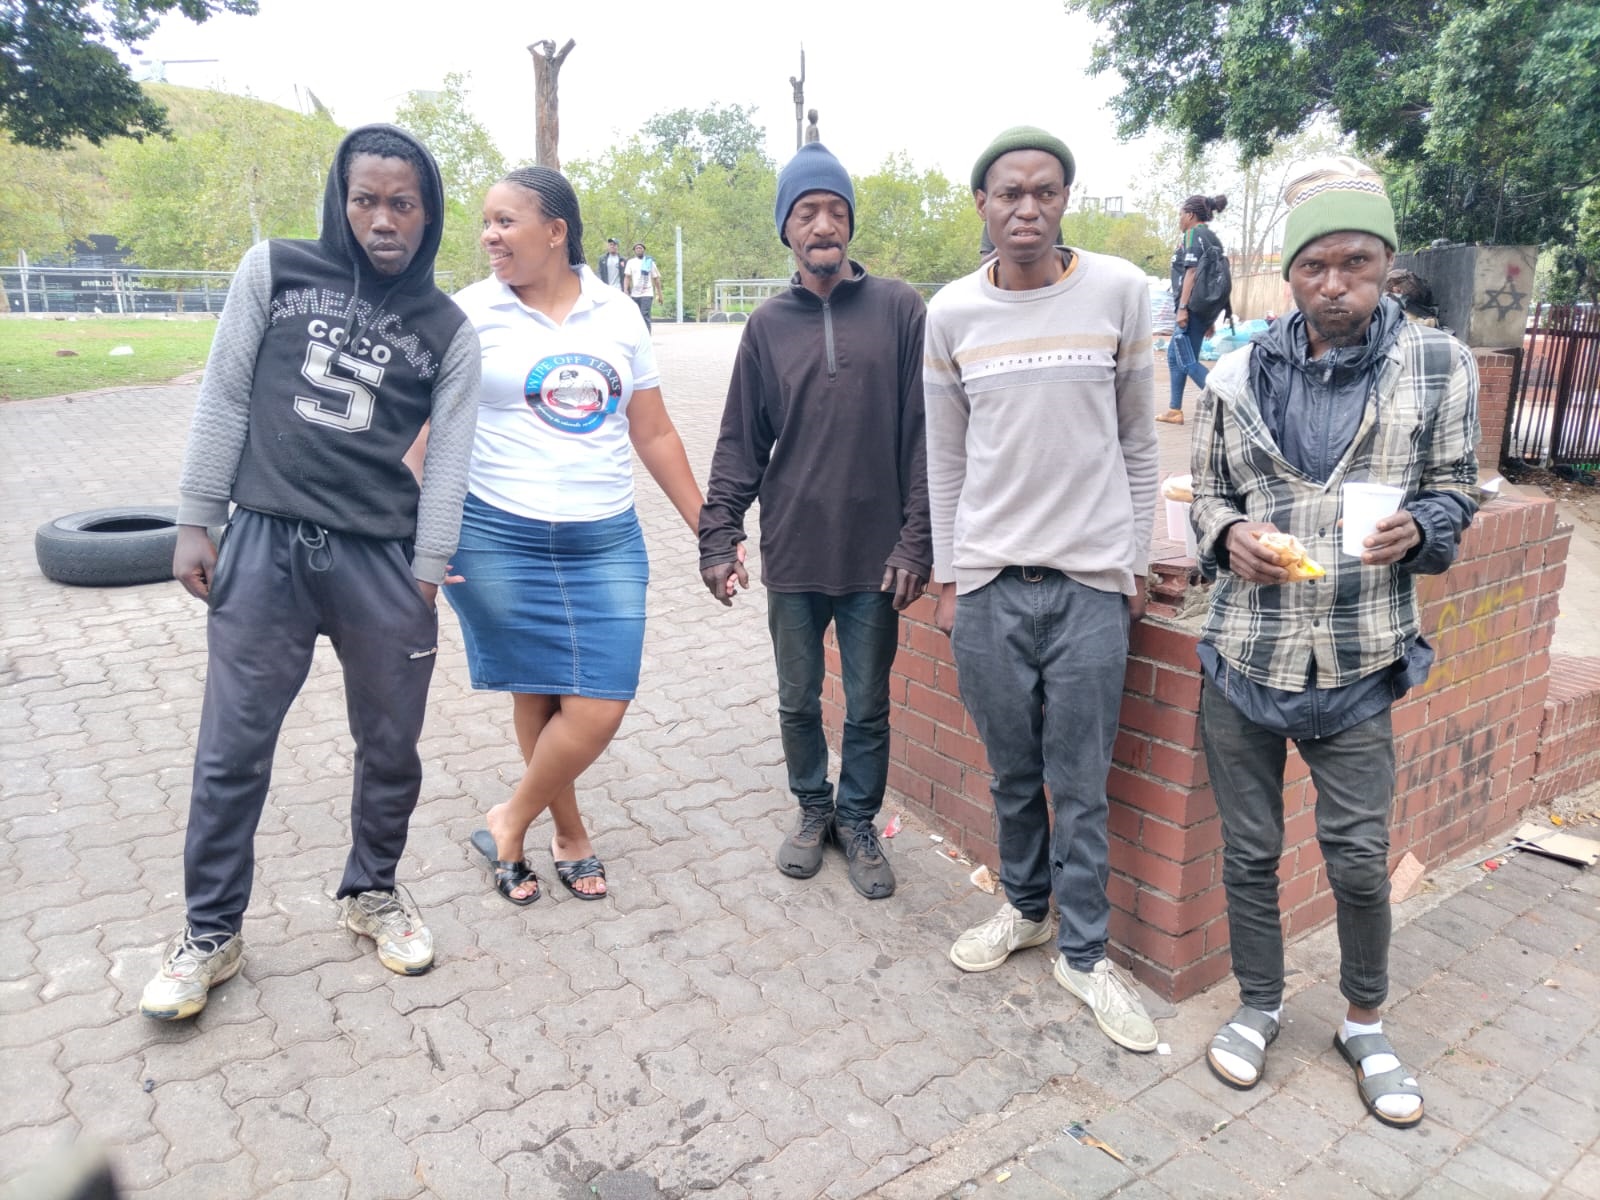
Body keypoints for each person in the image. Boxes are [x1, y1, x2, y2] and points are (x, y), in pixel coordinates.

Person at [140, 125, 481, 1020]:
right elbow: (223, 391)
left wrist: (427, 570)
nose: (382, 220)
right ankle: (210, 932)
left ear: (428, 214)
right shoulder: (275, 270)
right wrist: (196, 519)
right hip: (264, 546)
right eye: (366, 200)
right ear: (341, 199)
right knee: (231, 750)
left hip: (382, 563)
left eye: (402, 204)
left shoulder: (449, 328)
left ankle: (373, 892)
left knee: (391, 746)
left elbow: (451, 458)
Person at [1190, 156, 1479, 1128]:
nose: (1334, 284)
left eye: (1356, 263)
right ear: (1289, 273)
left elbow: (1455, 486)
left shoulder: (1438, 365)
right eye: (1313, 266)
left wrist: (1425, 526)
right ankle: (1259, 1004)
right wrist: (1228, 536)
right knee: (1248, 852)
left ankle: (1364, 1021)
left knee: (1357, 859)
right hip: (1246, 654)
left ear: (1386, 265)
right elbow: (1208, 498)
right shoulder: (1234, 374)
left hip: (1358, 660)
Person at [924, 126, 1160, 1052]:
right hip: (990, 586)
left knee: (1081, 782)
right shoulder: (951, 313)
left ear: (1065, 199)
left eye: (1045, 192)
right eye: (1008, 193)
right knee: (1013, 772)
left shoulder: (1119, 292)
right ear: (981, 204)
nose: (1026, 209)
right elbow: (946, 459)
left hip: (1088, 586)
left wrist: (1131, 561)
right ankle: (1025, 910)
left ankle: (1085, 954)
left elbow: (1139, 442)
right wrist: (952, 576)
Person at [447, 167, 704, 904]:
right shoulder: (467, 313)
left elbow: (653, 431)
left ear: (556, 230)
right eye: (487, 222)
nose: (489, 236)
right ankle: (568, 833)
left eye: (505, 222)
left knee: (600, 700)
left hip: (604, 538)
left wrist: (708, 528)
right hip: (497, 532)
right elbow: (428, 431)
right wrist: (412, 537)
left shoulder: (618, 314)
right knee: (536, 692)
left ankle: (509, 817)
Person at [699, 141, 931, 900]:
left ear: (850, 222)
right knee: (798, 699)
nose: (823, 224)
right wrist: (719, 534)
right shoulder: (767, 325)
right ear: (786, 229)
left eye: (835, 210)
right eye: (806, 212)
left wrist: (917, 540)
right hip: (795, 549)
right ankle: (812, 807)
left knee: (867, 703)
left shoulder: (900, 309)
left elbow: (927, 436)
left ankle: (857, 818)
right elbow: (740, 440)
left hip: (876, 556)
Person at [1157, 193, 1229, 426]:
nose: (1179, 219)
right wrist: (1210, 317)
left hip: (1191, 309)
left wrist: (1182, 308)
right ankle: (1174, 409)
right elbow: (1214, 278)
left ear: (1190, 215)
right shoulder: (1211, 237)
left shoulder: (1193, 234)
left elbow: (1192, 272)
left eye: (1180, 214)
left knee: (1185, 359)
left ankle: (1228, 405)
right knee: (1175, 356)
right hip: (1202, 310)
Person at [624, 241, 663, 330]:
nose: (638, 249)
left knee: (644, 315)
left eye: (640, 248)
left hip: (647, 293)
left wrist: (660, 294)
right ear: (634, 250)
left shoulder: (649, 262)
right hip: (635, 294)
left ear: (644, 250)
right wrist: (625, 290)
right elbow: (627, 277)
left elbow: (656, 278)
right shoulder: (631, 262)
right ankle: (638, 336)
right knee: (636, 316)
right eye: (637, 248)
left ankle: (647, 336)